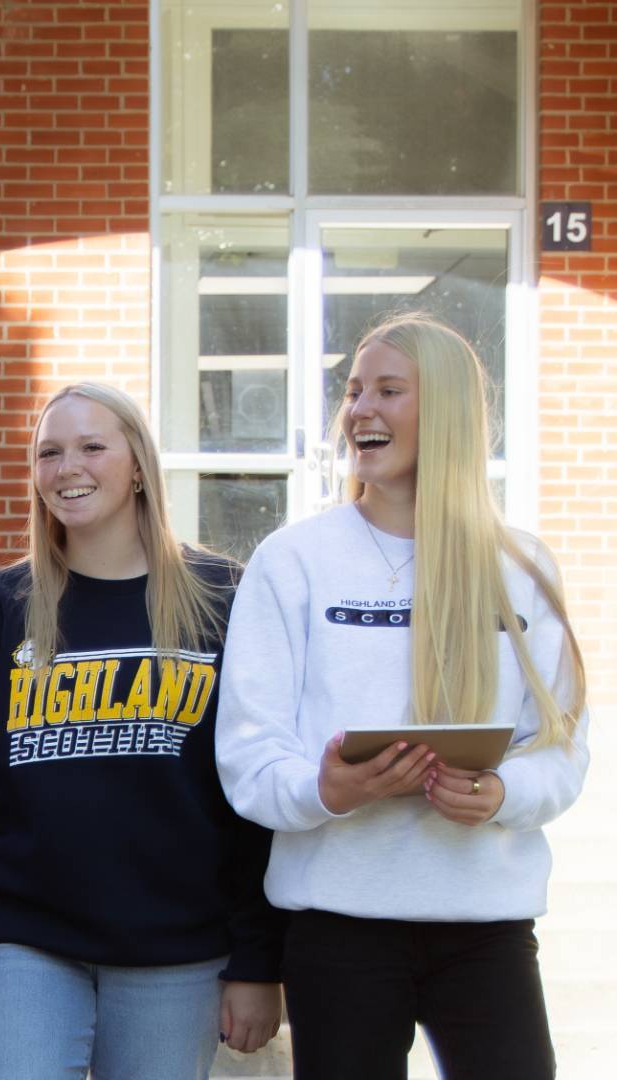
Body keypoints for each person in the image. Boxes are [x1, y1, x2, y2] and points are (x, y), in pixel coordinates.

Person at [216, 314, 589, 1079]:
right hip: (338, 925)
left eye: (389, 390)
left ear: (445, 409)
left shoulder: (521, 567)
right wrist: (325, 790)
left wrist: (500, 793)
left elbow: (561, 752)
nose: (360, 410)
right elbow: (249, 755)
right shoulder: (293, 561)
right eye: (354, 391)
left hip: (486, 926)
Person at [0, 382, 283, 1079]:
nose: (67, 468)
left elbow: (255, 794)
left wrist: (259, 957)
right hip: (21, 939)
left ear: (138, 464)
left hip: (178, 950)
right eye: (48, 452)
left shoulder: (224, 599)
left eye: (91, 447)